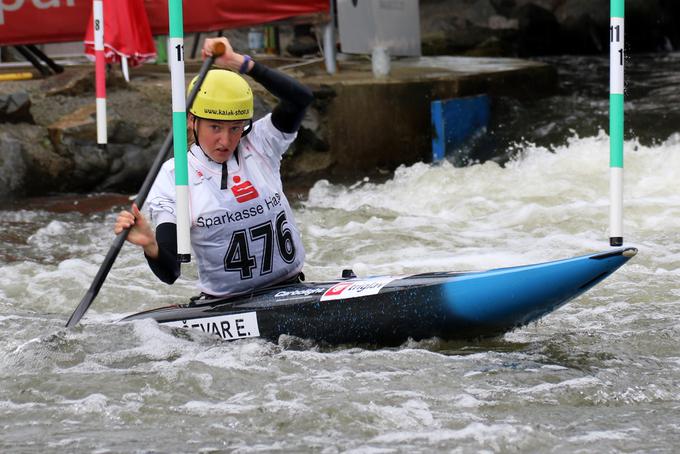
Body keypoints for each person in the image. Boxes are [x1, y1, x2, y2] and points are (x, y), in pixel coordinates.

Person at [114, 37, 313, 298]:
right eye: (215, 128)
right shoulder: (175, 177)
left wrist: (240, 63)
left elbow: (300, 99)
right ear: (192, 121)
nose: (226, 140)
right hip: (228, 305)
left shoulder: (260, 144)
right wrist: (150, 245)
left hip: (291, 289)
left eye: (235, 128)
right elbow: (171, 271)